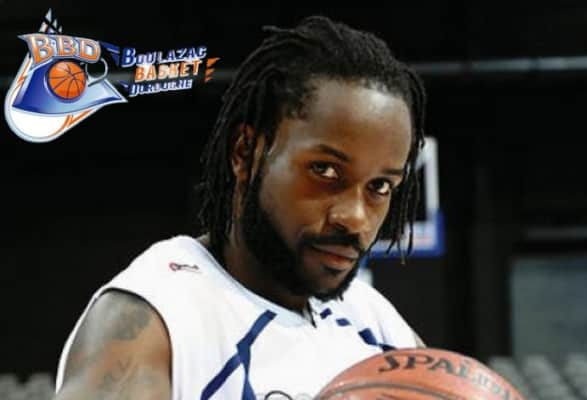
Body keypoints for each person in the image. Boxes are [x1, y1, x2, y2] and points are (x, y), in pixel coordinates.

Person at [53, 15, 428, 400]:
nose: (355, 218)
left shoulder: (375, 323)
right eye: (325, 170)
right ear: (245, 152)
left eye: (380, 186)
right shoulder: (157, 316)